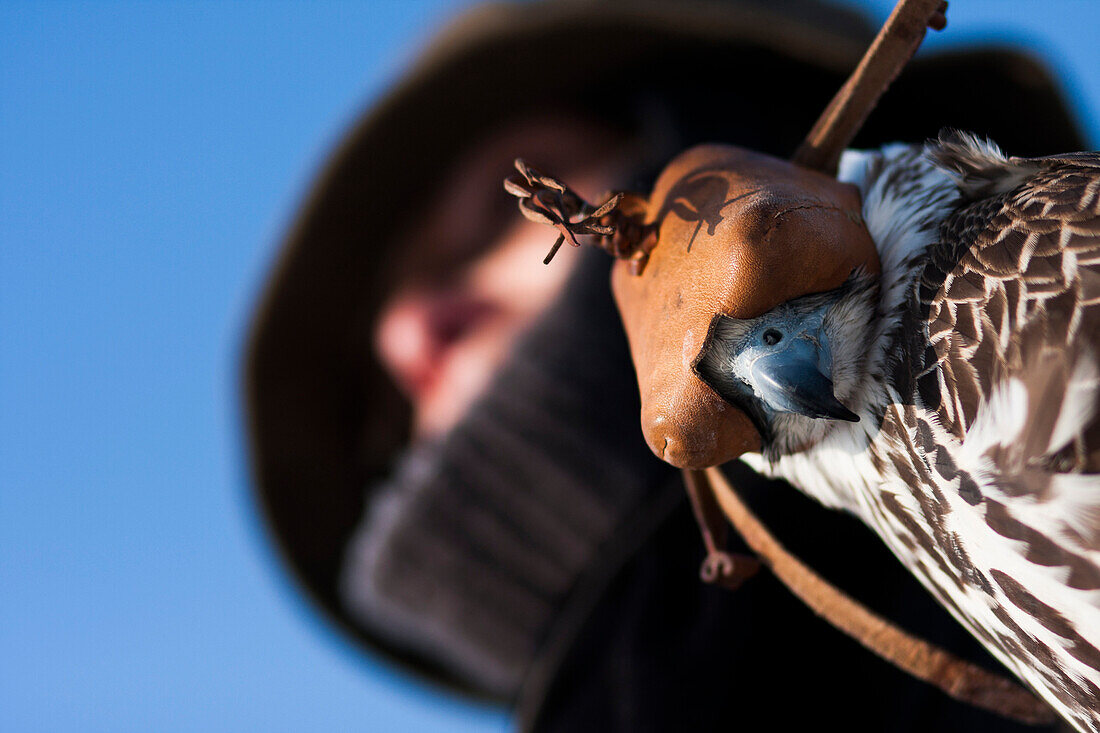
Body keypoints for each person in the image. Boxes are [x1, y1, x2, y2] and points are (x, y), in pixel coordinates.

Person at [244, 0, 1085, 729]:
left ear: (744, 147)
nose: (406, 331)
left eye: (500, 218)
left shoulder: (1053, 271)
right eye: (387, 412)